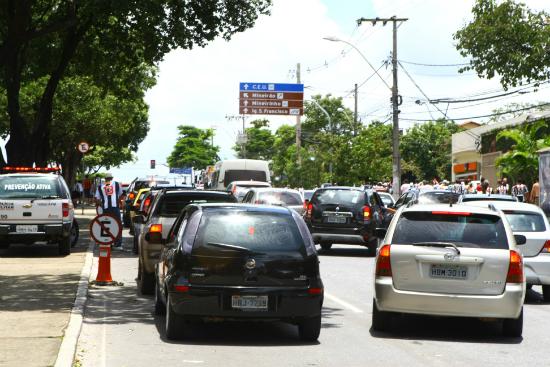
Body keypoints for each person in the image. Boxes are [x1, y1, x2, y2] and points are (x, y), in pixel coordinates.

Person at [95, 172, 125, 248]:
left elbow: (96, 199)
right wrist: (119, 202)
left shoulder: (100, 186)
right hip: (115, 208)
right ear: (112, 178)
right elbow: (122, 195)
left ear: (105, 179)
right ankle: (118, 244)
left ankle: (107, 242)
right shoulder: (117, 184)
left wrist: (102, 204)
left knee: (106, 225)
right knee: (118, 225)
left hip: (105, 208)